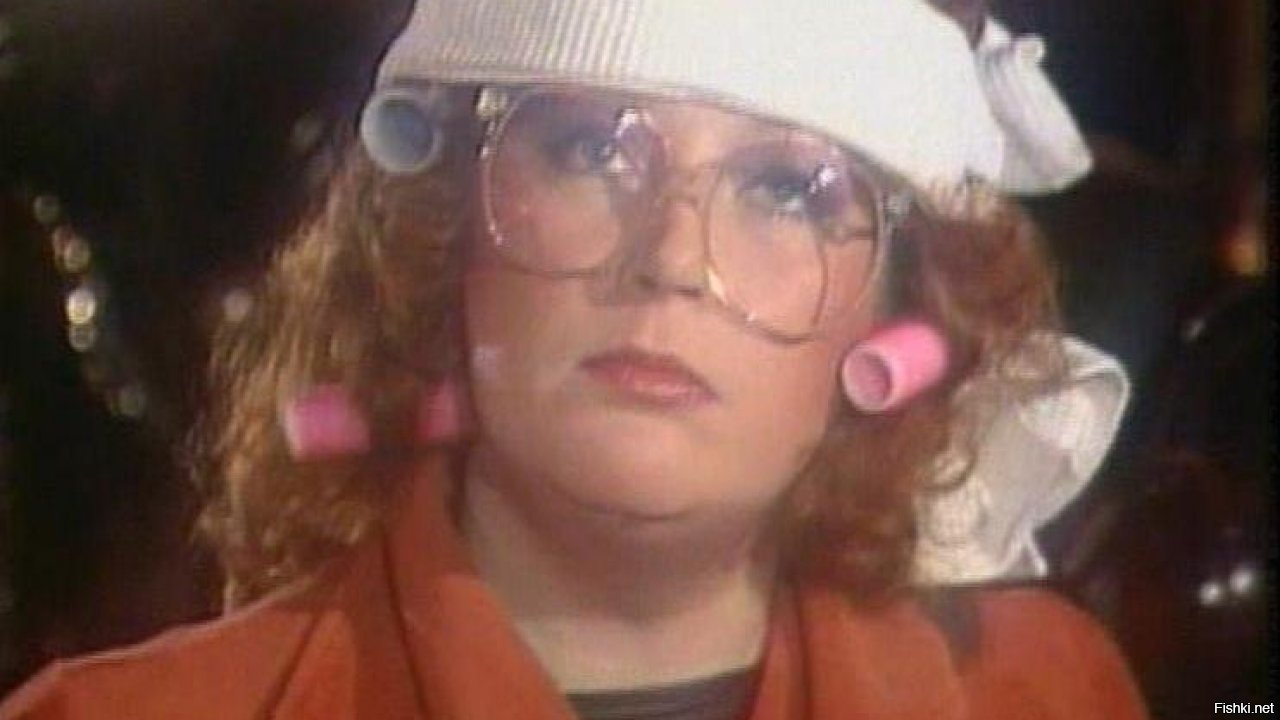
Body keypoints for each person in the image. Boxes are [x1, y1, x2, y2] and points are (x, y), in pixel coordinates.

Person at [1, 0, 1148, 717]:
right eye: (591, 152)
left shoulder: (1043, 694)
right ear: (444, 238)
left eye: (786, 190)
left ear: (899, 313)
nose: (670, 261)